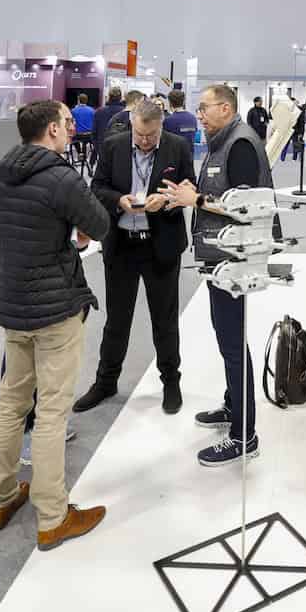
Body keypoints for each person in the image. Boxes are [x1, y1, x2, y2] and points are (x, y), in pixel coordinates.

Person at [0, 99, 110, 552]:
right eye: (66, 123)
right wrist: (78, 233)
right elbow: (100, 224)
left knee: (11, 404)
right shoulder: (61, 177)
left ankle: (2, 497)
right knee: (53, 413)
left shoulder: (4, 177)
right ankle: (53, 517)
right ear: (51, 129)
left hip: (14, 304)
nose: (72, 129)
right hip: (55, 309)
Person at [162, 83, 271, 468]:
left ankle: (244, 436)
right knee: (226, 338)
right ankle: (232, 405)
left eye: (204, 107)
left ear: (225, 108)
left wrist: (196, 200)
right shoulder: (223, 141)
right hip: (221, 257)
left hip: (235, 257)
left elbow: (246, 206)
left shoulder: (239, 144)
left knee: (233, 342)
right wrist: (196, 190)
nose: (200, 114)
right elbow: (225, 191)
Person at [74, 97, 195, 417]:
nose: (145, 141)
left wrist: (166, 200)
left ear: (160, 127)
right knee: (116, 320)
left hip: (161, 246)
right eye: (140, 135)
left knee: (165, 320)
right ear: (132, 125)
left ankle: (171, 381)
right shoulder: (113, 146)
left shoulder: (178, 147)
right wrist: (120, 201)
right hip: (122, 247)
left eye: (151, 135)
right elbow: (98, 187)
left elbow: (189, 188)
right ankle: (105, 382)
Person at [92, 86, 124, 153]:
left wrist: (98, 150)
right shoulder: (125, 112)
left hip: (102, 148)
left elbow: (94, 133)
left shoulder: (99, 111)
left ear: (109, 97)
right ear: (120, 97)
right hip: (121, 150)